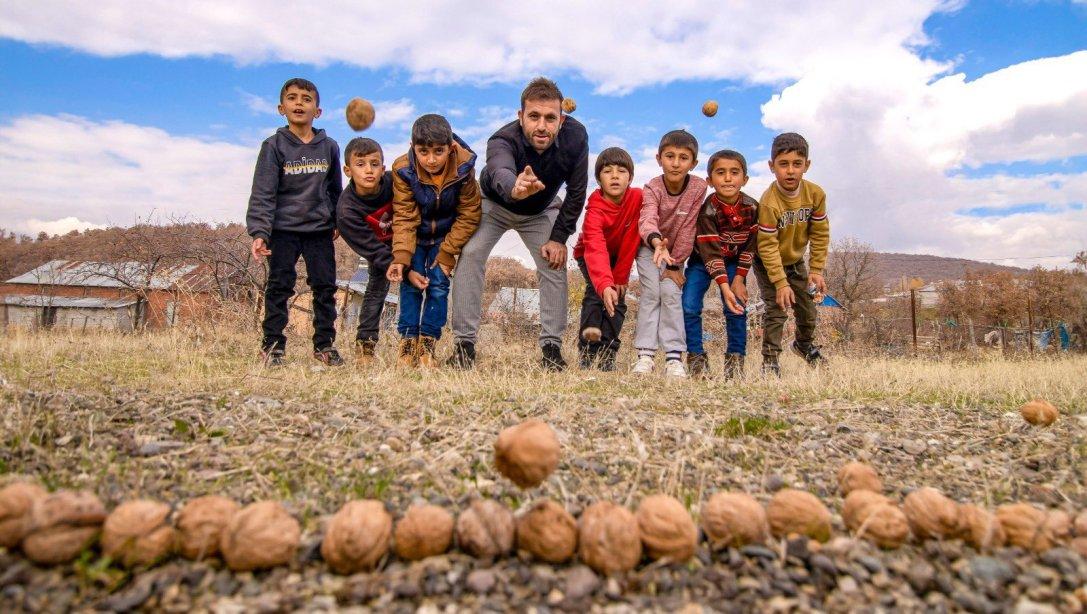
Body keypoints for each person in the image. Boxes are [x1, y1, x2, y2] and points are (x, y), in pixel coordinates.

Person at [449, 77, 589, 371]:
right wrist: (514, 186)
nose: (542, 126)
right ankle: (464, 345)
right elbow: (499, 167)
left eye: (550, 118)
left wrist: (558, 237)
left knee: (553, 261)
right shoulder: (502, 140)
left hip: (542, 210)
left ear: (561, 119)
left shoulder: (576, 137)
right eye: (534, 116)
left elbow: (577, 192)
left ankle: (551, 348)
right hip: (494, 203)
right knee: (471, 253)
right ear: (520, 116)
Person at [246, 77, 343, 367]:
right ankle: (273, 346)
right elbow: (263, 191)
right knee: (279, 286)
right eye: (292, 98)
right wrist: (260, 231)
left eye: (306, 98)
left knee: (325, 288)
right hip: (283, 230)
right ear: (281, 108)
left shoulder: (329, 147)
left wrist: (337, 218)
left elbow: (335, 189)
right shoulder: (273, 146)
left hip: (319, 231)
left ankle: (324, 345)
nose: (299, 103)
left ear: (318, 111)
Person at [387, 114, 482, 367]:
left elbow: (470, 212)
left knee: (438, 286)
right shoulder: (402, 170)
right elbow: (404, 215)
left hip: (445, 236)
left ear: (450, 148)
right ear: (412, 147)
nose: (431, 159)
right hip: (415, 236)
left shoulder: (464, 169)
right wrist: (402, 257)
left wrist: (448, 252)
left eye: (439, 151)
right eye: (423, 151)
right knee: (411, 285)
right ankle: (408, 344)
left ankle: (428, 344)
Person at [753, 132, 830, 376]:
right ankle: (770, 361)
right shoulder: (769, 202)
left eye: (797, 164)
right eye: (783, 164)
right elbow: (767, 245)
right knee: (776, 310)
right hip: (769, 264)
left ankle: (803, 345)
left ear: (806, 165)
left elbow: (820, 233)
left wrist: (816, 269)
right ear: (771, 166)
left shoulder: (815, 195)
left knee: (807, 310)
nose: (790, 171)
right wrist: (780, 283)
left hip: (796, 262)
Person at [633, 130, 708, 378]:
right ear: (659, 158)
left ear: (693, 163)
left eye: (683, 157)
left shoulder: (698, 187)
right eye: (670, 156)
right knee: (652, 293)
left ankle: (674, 357)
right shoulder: (652, 187)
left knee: (671, 294)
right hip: (649, 248)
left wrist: (675, 264)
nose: (676, 163)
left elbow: (689, 228)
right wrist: (656, 242)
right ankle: (645, 355)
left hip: (676, 255)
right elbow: (647, 218)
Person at [571, 147, 642, 371]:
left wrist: (619, 278)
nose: (614, 176)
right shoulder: (594, 210)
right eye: (607, 171)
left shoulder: (638, 198)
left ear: (630, 177)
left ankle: (608, 353)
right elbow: (595, 247)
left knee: (618, 299)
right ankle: (587, 352)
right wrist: (604, 284)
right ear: (599, 178)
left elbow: (632, 239)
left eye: (621, 171)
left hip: (620, 257)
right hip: (590, 255)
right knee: (596, 293)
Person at [689, 150, 753, 379]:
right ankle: (696, 361)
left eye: (734, 173)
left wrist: (738, 280)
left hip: (735, 262)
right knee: (689, 305)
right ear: (709, 181)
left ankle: (735, 364)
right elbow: (711, 253)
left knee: (736, 307)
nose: (728, 178)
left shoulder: (752, 209)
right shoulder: (708, 210)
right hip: (703, 261)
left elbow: (751, 247)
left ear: (744, 179)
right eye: (720, 173)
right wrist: (724, 287)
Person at [336, 137, 394, 364]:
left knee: (419, 286)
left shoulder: (394, 183)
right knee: (376, 288)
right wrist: (394, 265)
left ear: (383, 167)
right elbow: (371, 249)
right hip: (377, 248)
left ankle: (415, 343)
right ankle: (365, 346)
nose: (369, 170)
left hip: (407, 241)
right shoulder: (346, 210)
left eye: (374, 163)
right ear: (348, 170)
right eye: (360, 165)